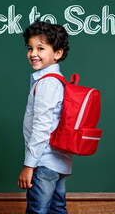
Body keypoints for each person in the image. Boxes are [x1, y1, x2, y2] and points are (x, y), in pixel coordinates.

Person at [18, 20, 72, 214]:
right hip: (60, 162)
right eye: (30, 48)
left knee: (37, 210)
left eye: (40, 48)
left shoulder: (47, 83)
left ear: (57, 53)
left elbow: (41, 127)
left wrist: (28, 165)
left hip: (44, 161)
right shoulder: (58, 81)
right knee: (57, 208)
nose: (33, 54)